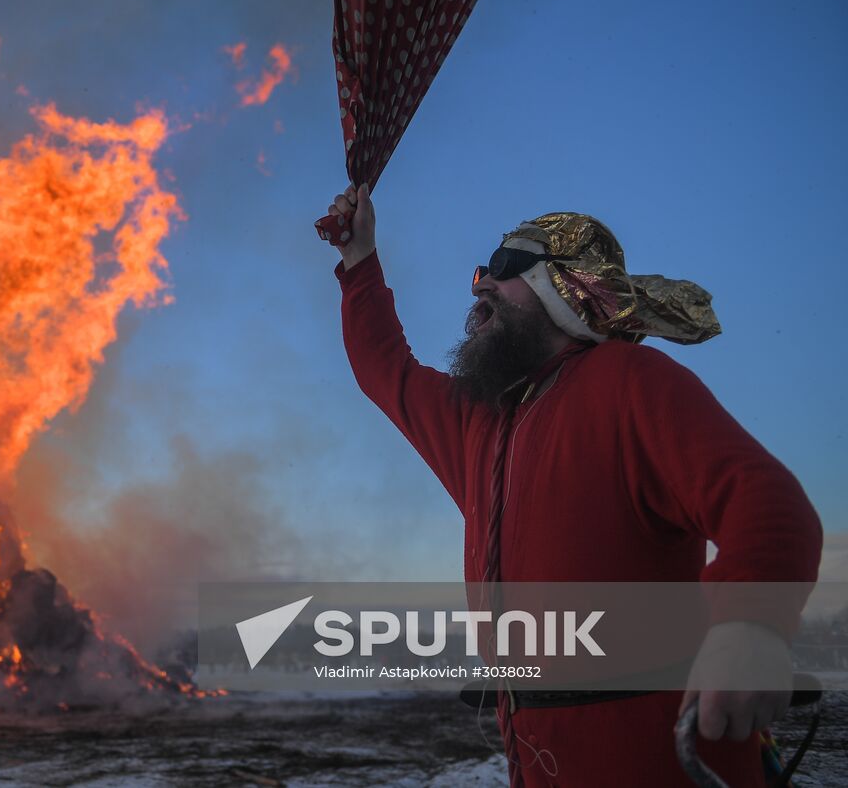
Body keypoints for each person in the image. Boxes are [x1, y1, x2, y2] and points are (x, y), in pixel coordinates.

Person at [326, 182, 823, 787]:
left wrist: (749, 626)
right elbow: (385, 367)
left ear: (562, 287)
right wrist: (360, 260)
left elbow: (768, 503)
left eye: (506, 267)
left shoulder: (630, 380)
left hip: (657, 756)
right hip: (535, 756)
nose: (479, 283)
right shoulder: (478, 422)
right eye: (484, 268)